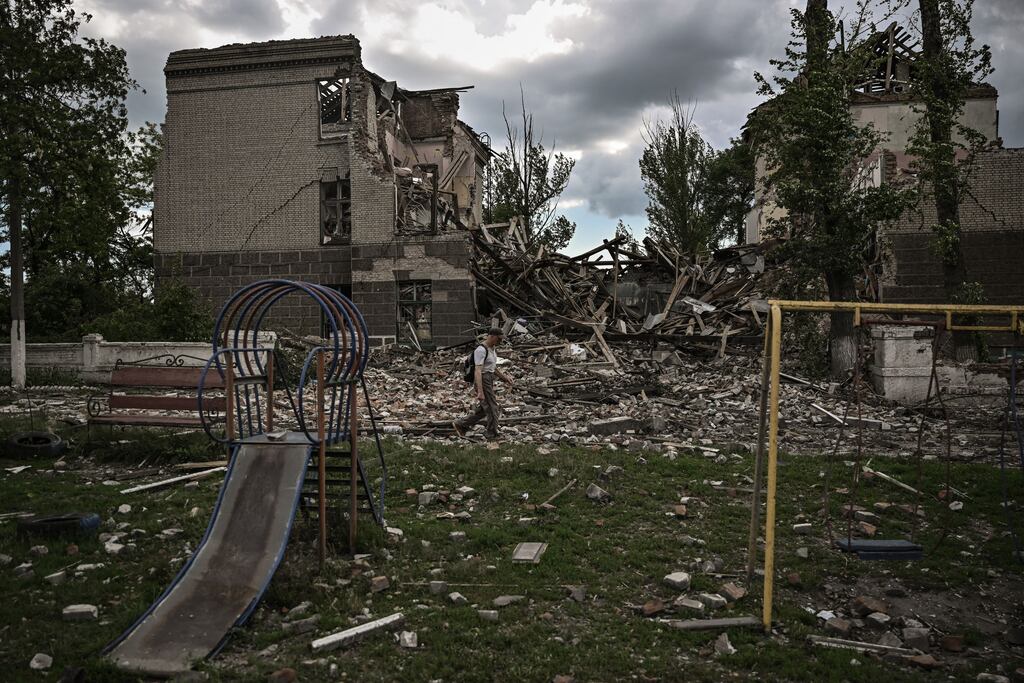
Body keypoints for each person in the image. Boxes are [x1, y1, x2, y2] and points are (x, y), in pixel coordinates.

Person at [454, 328, 514, 439]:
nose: (500, 342)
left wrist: (505, 378)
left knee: (483, 409)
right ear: (491, 336)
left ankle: (461, 424)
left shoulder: (492, 348)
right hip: (482, 379)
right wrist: (480, 391)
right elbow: (478, 371)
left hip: (489, 378)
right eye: (499, 339)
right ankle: (491, 433)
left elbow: (493, 368)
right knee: (492, 407)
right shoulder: (481, 350)